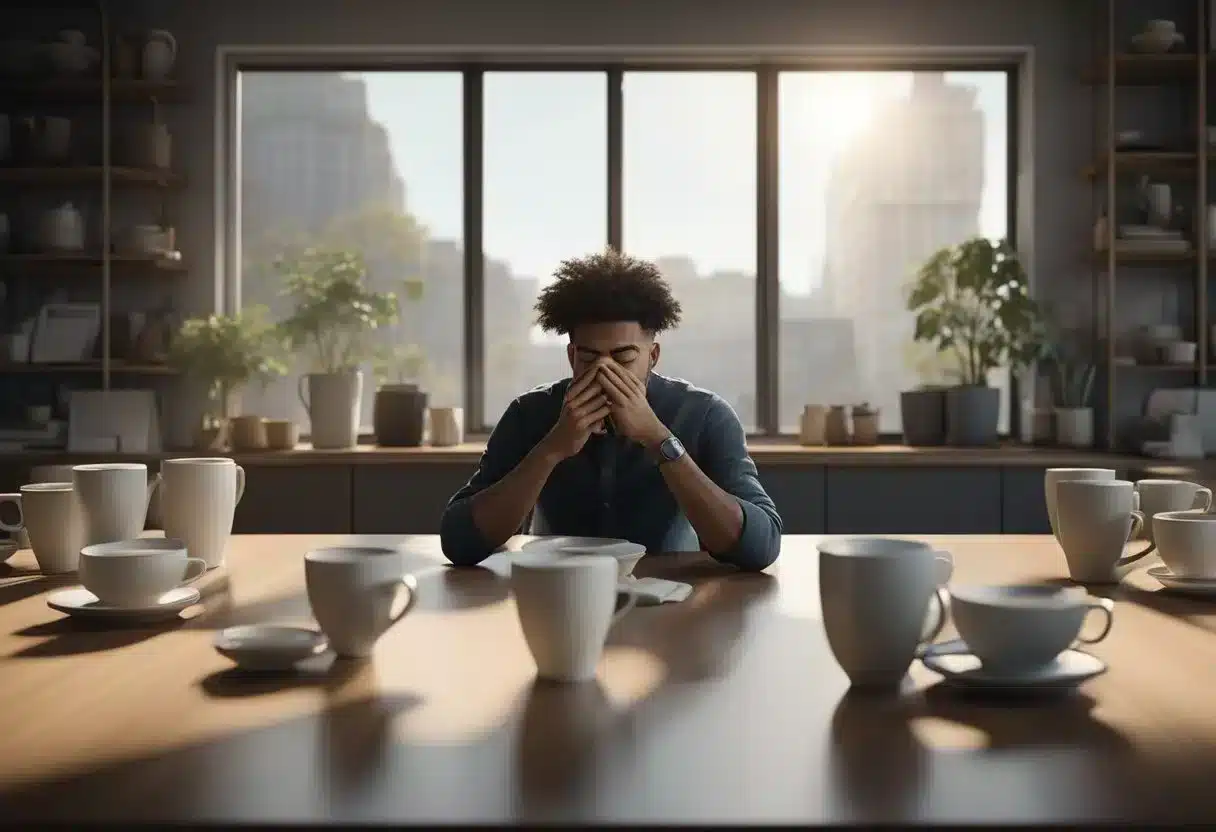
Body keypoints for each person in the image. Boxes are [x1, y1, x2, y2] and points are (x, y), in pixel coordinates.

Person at [440, 249, 782, 572]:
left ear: (653, 356)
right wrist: (551, 449)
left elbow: (761, 545)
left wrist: (659, 439)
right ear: (572, 356)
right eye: (589, 358)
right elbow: (459, 541)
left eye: (623, 358)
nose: (605, 373)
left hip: (672, 604)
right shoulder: (529, 414)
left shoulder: (704, 415)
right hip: (556, 593)